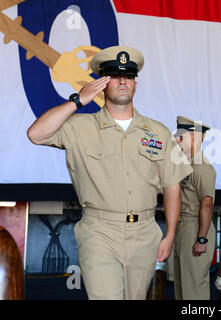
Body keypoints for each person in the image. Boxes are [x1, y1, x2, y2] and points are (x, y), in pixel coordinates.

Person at [27, 46, 192, 300]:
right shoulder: (80, 127)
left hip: (145, 233)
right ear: (103, 84)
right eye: (114, 75)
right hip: (99, 232)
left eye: (128, 76)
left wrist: (169, 235)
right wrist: (77, 101)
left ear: (136, 84)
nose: (122, 81)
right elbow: (36, 134)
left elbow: (172, 186)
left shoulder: (158, 132)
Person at [172, 116, 216, 300]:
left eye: (181, 136)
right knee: (182, 289)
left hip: (195, 229)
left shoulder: (202, 168)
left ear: (195, 138)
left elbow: (207, 204)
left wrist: (202, 239)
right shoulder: (185, 165)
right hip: (184, 228)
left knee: (194, 290)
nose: (176, 139)